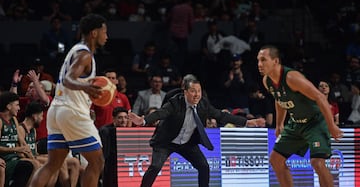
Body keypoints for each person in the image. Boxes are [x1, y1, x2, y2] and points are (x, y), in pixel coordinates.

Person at [129, 79, 265, 187]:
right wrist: (143, 120)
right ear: (185, 92)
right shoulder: (175, 102)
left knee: (204, 167)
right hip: (166, 142)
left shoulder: (203, 105)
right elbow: (161, 113)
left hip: (187, 143)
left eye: (199, 91)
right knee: (155, 166)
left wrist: (247, 122)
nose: (197, 95)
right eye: (193, 91)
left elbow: (221, 116)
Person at [29, 13, 108, 187]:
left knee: (53, 164)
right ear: (94, 33)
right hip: (73, 111)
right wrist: (85, 87)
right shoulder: (84, 55)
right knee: (97, 162)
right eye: (104, 31)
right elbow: (68, 79)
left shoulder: (75, 50)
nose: (106, 36)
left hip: (57, 110)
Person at [257, 45, 343, 187]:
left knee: (317, 162)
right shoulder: (267, 81)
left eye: (263, 60)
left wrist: (331, 125)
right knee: (276, 159)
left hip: (315, 121)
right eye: (258, 60)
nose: (259, 64)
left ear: (276, 61)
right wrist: (279, 124)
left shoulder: (291, 77)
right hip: (296, 123)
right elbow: (280, 100)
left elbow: (320, 97)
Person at [99, 106, 129, 187]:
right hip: (110, 166)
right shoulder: (105, 131)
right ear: (113, 119)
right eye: (120, 118)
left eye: (126, 118)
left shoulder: (130, 132)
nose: (123, 121)